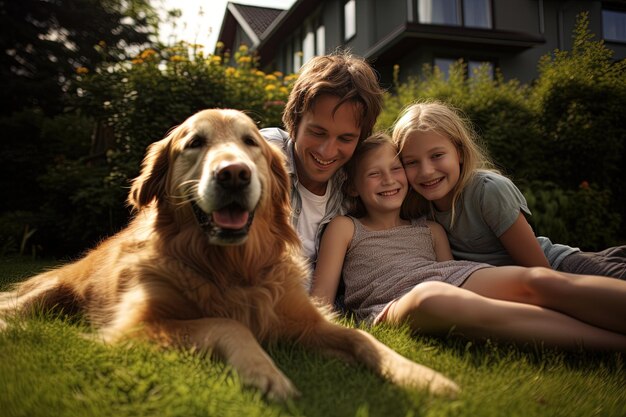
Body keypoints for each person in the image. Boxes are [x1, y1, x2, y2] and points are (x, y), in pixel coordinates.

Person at [310, 132, 626, 350]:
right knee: (432, 296)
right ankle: (615, 345)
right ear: (352, 188)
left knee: (538, 280)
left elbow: (454, 271)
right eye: (374, 174)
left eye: (395, 169)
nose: (390, 179)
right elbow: (321, 300)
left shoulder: (430, 228)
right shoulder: (345, 227)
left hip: (453, 281)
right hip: (392, 304)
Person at [391, 101, 626, 279]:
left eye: (437, 156)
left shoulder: (488, 191)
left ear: (459, 153)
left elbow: (541, 271)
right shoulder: (417, 208)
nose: (427, 171)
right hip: (513, 284)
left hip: (561, 268)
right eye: (411, 162)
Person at [260, 51, 384, 274]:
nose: (327, 151)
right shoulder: (264, 154)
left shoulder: (357, 182)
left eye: (346, 138)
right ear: (295, 121)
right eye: (317, 133)